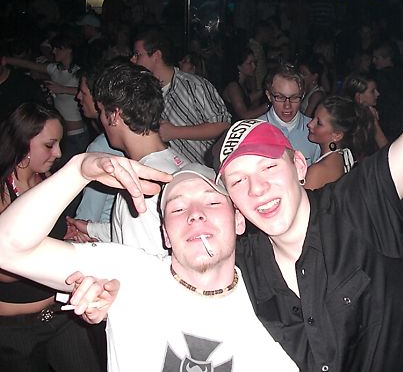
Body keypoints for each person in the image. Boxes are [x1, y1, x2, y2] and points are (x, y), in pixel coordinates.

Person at [73, 0, 403, 370]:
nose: (257, 188)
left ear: (299, 164)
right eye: (237, 180)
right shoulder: (244, 261)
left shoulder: (359, 203)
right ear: (231, 203)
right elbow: (174, 280)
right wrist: (118, 295)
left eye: (267, 168)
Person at [0, 157, 299, 372]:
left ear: (238, 221)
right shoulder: (129, 272)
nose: (195, 214)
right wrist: (79, 169)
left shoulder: (275, 304)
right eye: (178, 208)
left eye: (212, 202)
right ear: (165, 234)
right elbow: (7, 249)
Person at [0, 103, 101, 372]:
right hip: (13, 331)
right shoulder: (2, 190)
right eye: (49, 145)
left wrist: (70, 235)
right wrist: (58, 252)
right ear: (22, 142)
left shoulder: (45, 178)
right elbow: (4, 269)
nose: (58, 153)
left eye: (59, 144)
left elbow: (52, 231)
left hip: (60, 313)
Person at [68, 62, 185, 258]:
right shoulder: (177, 160)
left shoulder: (137, 187)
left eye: (101, 111)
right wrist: (89, 228)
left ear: (114, 115)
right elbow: (145, 231)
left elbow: (138, 263)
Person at [130, 28, 231, 164]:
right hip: (170, 171)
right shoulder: (143, 92)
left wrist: (175, 132)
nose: (133, 59)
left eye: (137, 54)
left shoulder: (194, 85)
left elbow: (223, 125)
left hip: (205, 170)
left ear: (156, 55)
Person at [2, 33, 89, 163]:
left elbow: (90, 91)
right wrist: (6, 60)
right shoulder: (55, 69)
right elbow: (29, 64)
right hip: (60, 134)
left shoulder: (79, 72)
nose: (53, 51)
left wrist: (63, 89)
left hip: (77, 134)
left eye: (57, 48)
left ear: (68, 49)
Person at [65, 62, 124, 242]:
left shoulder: (101, 148)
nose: (78, 97)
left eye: (83, 92)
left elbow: (89, 215)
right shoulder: (119, 138)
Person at [306, 95, 373, 189]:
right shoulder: (342, 159)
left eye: (319, 123)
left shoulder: (317, 171)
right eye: (313, 117)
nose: (310, 124)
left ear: (337, 135)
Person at [259, 63, 320, 166]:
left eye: (294, 97)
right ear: (269, 96)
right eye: (280, 97)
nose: (287, 105)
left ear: (303, 95)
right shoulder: (255, 130)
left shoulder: (315, 130)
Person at [343, 72, 388, 151]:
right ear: (358, 97)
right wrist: (374, 123)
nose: (378, 94)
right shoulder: (354, 123)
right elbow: (385, 150)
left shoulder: (370, 112)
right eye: (372, 91)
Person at [222, 47, 269, 121]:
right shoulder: (233, 87)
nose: (254, 66)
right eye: (249, 63)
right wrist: (269, 105)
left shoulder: (244, 82)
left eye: (254, 62)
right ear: (239, 67)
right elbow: (244, 115)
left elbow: (251, 100)